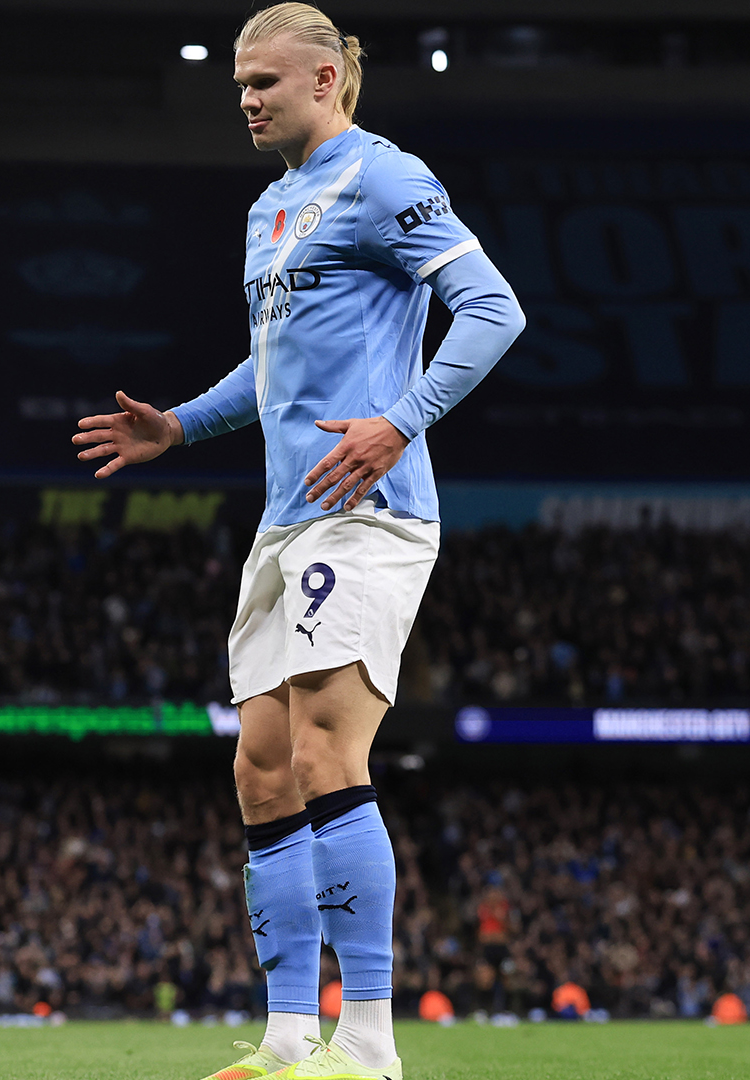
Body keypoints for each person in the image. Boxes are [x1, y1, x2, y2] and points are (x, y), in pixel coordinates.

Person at [71, 5, 523, 1077]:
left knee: (328, 752)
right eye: (237, 85)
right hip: (284, 522)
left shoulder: (383, 177)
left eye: (264, 82)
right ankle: (285, 1041)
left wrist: (399, 419)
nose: (246, 99)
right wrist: (179, 424)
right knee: (263, 771)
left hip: (369, 514)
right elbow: (272, 371)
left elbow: (493, 310)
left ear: (327, 78)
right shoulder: (270, 208)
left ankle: (366, 1044)